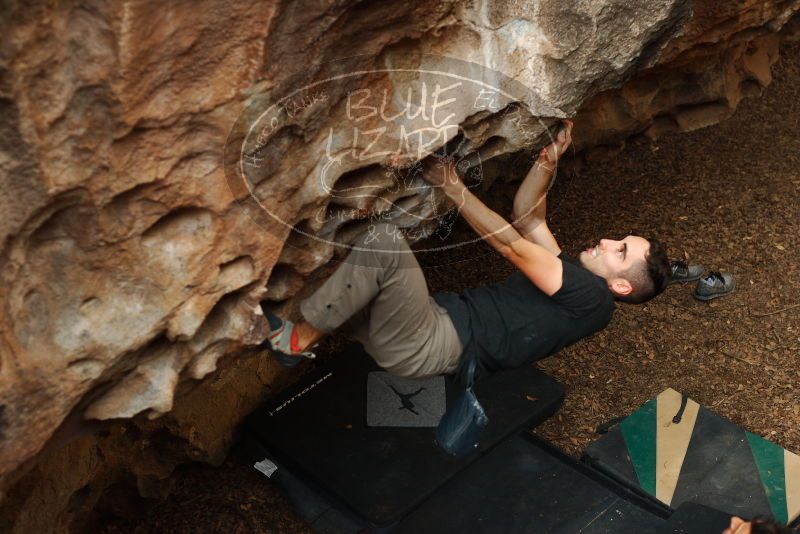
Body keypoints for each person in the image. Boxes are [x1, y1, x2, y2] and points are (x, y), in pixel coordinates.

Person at [262, 120, 671, 379]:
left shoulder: (592, 299)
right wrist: (548, 160)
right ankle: (265, 321)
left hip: (430, 341)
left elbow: (512, 247)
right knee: (345, 271)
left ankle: (295, 343)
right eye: (619, 240)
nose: (606, 241)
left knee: (384, 242)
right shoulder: (579, 286)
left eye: (620, 251)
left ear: (621, 286)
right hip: (426, 329)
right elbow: (529, 220)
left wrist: (450, 184)